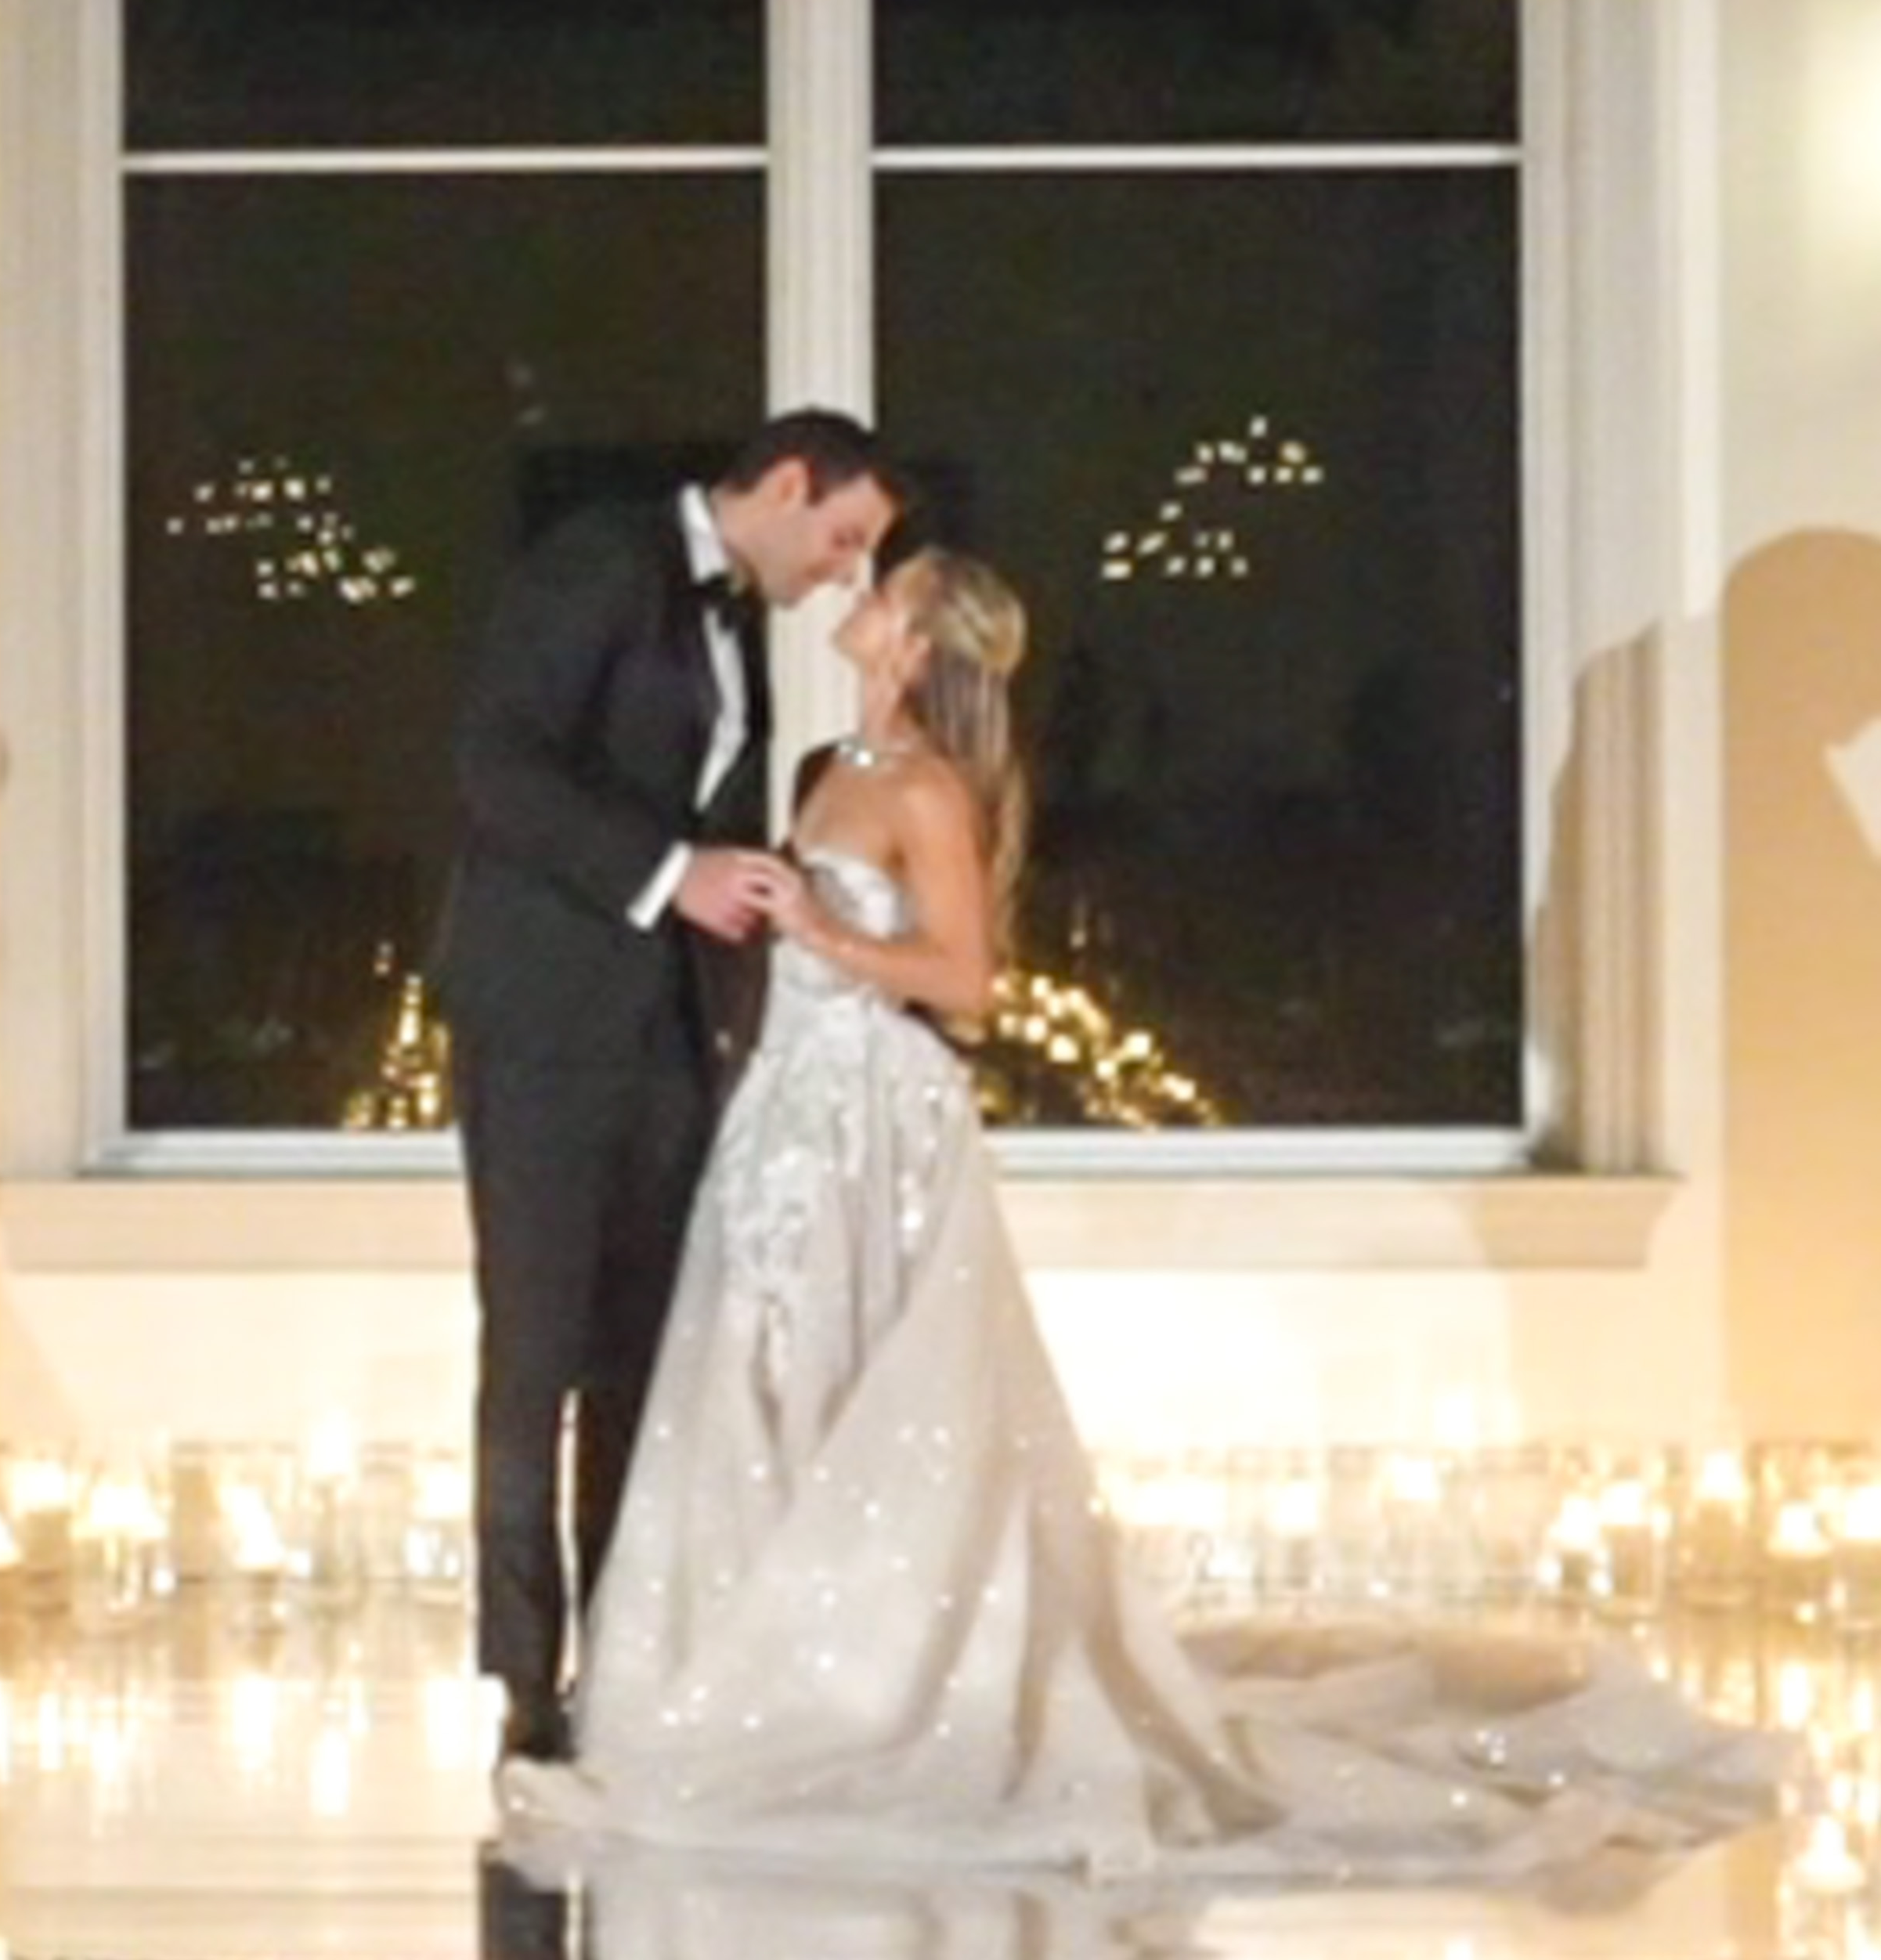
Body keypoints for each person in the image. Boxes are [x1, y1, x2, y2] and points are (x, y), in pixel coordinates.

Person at [547, 547, 1789, 1883]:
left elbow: (966, 982)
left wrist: (825, 934)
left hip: (872, 1121)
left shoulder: (924, 789)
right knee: (762, 1376)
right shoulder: (828, 772)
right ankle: (759, 1668)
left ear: (917, 645)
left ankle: (874, 1682)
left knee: (878, 1390)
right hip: (791, 1112)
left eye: (890, 592)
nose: (867, 593)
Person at [440, 406, 899, 1764]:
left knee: (642, 1351)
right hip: (540, 1020)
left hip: (659, 1029)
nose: (842, 572)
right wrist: (670, 874)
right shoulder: (599, 561)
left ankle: (622, 1661)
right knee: (534, 1349)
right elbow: (495, 763)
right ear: (790, 482)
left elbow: (687, 786)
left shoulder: (734, 610)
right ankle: (522, 1683)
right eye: (843, 536)